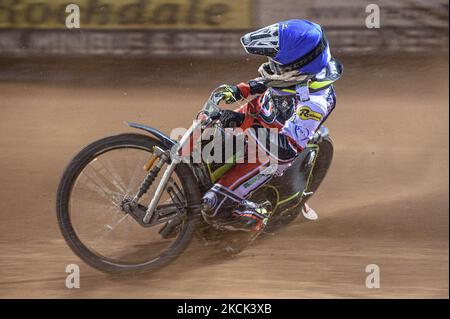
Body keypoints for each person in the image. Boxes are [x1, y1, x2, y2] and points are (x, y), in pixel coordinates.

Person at [201, 19, 343, 234]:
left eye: (278, 63)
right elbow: (269, 82)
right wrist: (239, 91)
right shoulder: (300, 71)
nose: (271, 66)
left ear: (298, 66)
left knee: (213, 206)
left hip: (271, 150)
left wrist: (241, 122)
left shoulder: (314, 103)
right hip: (260, 118)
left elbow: (285, 150)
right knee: (202, 146)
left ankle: (254, 216)